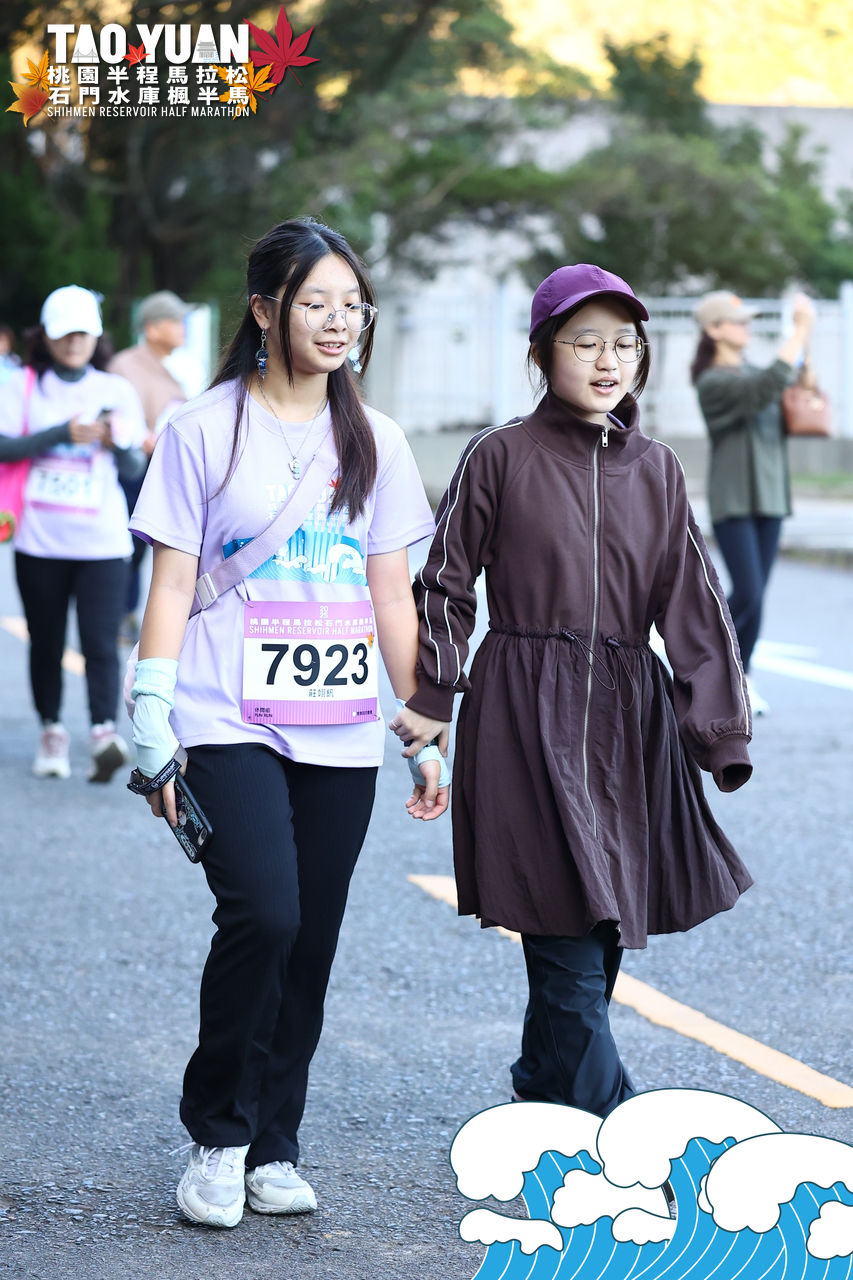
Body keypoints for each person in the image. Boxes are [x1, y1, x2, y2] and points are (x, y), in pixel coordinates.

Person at [127, 217, 449, 1229]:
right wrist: (149, 705)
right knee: (263, 912)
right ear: (265, 310)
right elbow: (171, 579)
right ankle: (218, 1133)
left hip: (340, 722)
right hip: (226, 714)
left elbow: (390, 592)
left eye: (352, 305)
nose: (337, 321)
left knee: (309, 937)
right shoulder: (204, 429)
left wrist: (424, 721)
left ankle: (275, 1141)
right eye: (316, 302)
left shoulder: (377, 439)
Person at [390, 263, 754, 1127]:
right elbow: (444, 585)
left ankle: (542, 1079)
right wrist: (434, 695)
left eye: (624, 344)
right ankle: (620, 1129)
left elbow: (695, 605)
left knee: (601, 924)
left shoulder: (657, 470)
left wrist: (719, 730)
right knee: (562, 927)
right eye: (584, 342)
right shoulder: (498, 454)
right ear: (542, 353)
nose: (607, 361)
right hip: (523, 710)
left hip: (629, 718)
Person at [0, 285, 146, 781]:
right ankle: (52, 732)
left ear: (97, 336)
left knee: (100, 641)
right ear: (45, 336)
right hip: (39, 539)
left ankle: (104, 732)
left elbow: (133, 467)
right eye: (64, 333)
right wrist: (61, 433)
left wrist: (112, 441)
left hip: (102, 541)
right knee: (45, 640)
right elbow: (5, 447)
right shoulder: (24, 385)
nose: (74, 342)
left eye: (83, 333)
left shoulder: (116, 390)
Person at [690, 290, 816, 715]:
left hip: (771, 495)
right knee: (748, 592)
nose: (746, 327)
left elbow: (787, 389)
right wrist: (798, 332)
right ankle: (708, 665)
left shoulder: (756, 371)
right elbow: (762, 389)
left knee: (757, 595)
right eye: (737, 321)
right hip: (735, 497)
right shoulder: (712, 382)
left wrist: (804, 344)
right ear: (713, 330)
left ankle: (741, 678)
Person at [109, 290, 191, 643]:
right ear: (153, 327)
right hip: (132, 470)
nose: (183, 327)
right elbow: (119, 419)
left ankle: (127, 613)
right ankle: (118, 613)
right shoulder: (125, 365)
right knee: (128, 545)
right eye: (175, 321)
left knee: (149, 548)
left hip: (163, 469)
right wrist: (143, 437)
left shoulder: (176, 367)